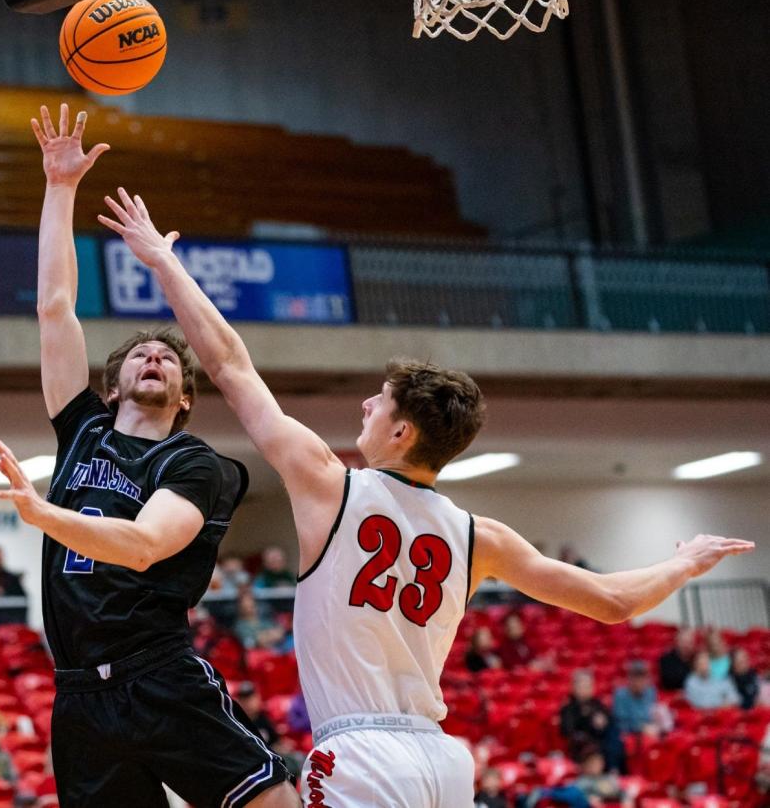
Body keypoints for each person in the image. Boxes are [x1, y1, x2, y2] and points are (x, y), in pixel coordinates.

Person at [98, 185, 755, 807]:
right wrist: (685, 562)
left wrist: (162, 262)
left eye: (379, 403)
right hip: (441, 760)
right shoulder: (483, 537)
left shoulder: (329, 484)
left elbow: (230, 365)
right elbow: (613, 602)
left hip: (359, 751)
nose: (365, 404)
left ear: (403, 430)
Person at [0, 104, 295, 808]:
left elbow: (142, 546)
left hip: (157, 675)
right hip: (78, 696)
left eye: (168, 358)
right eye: (140, 354)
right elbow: (54, 307)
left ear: (185, 395)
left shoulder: (197, 465)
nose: (155, 355)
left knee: (273, 804)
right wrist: (59, 187)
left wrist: (43, 514)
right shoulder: (82, 431)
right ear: (112, 381)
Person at [559, 670, 620, 770]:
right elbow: (567, 730)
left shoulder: (598, 704)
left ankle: (614, 770)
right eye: (582, 686)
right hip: (581, 744)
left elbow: (607, 721)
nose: (585, 690)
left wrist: (603, 723)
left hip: (600, 742)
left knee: (614, 735)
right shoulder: (568, 707)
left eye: (587, 686)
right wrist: (588, 720)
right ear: (574, 688)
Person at [611, 660, 660, 737]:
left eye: (642, 678)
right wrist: (641, 727)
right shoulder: (620, 695)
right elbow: (621, 723)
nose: (639, 682)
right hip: (630, 735)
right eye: (636, 678)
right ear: (629, 679)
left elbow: (653, 714)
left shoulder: (651, 692)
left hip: (649, 732)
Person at [233, 587, 286, 651]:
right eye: (246, 606)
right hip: (256, 658)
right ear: (240, 607)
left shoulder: (265, 621)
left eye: (252, 605)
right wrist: (267, 636)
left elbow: (279, 633)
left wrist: (264, 637)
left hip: (274, 654)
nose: (250, 607)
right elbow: (249, 644)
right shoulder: (240, 626)